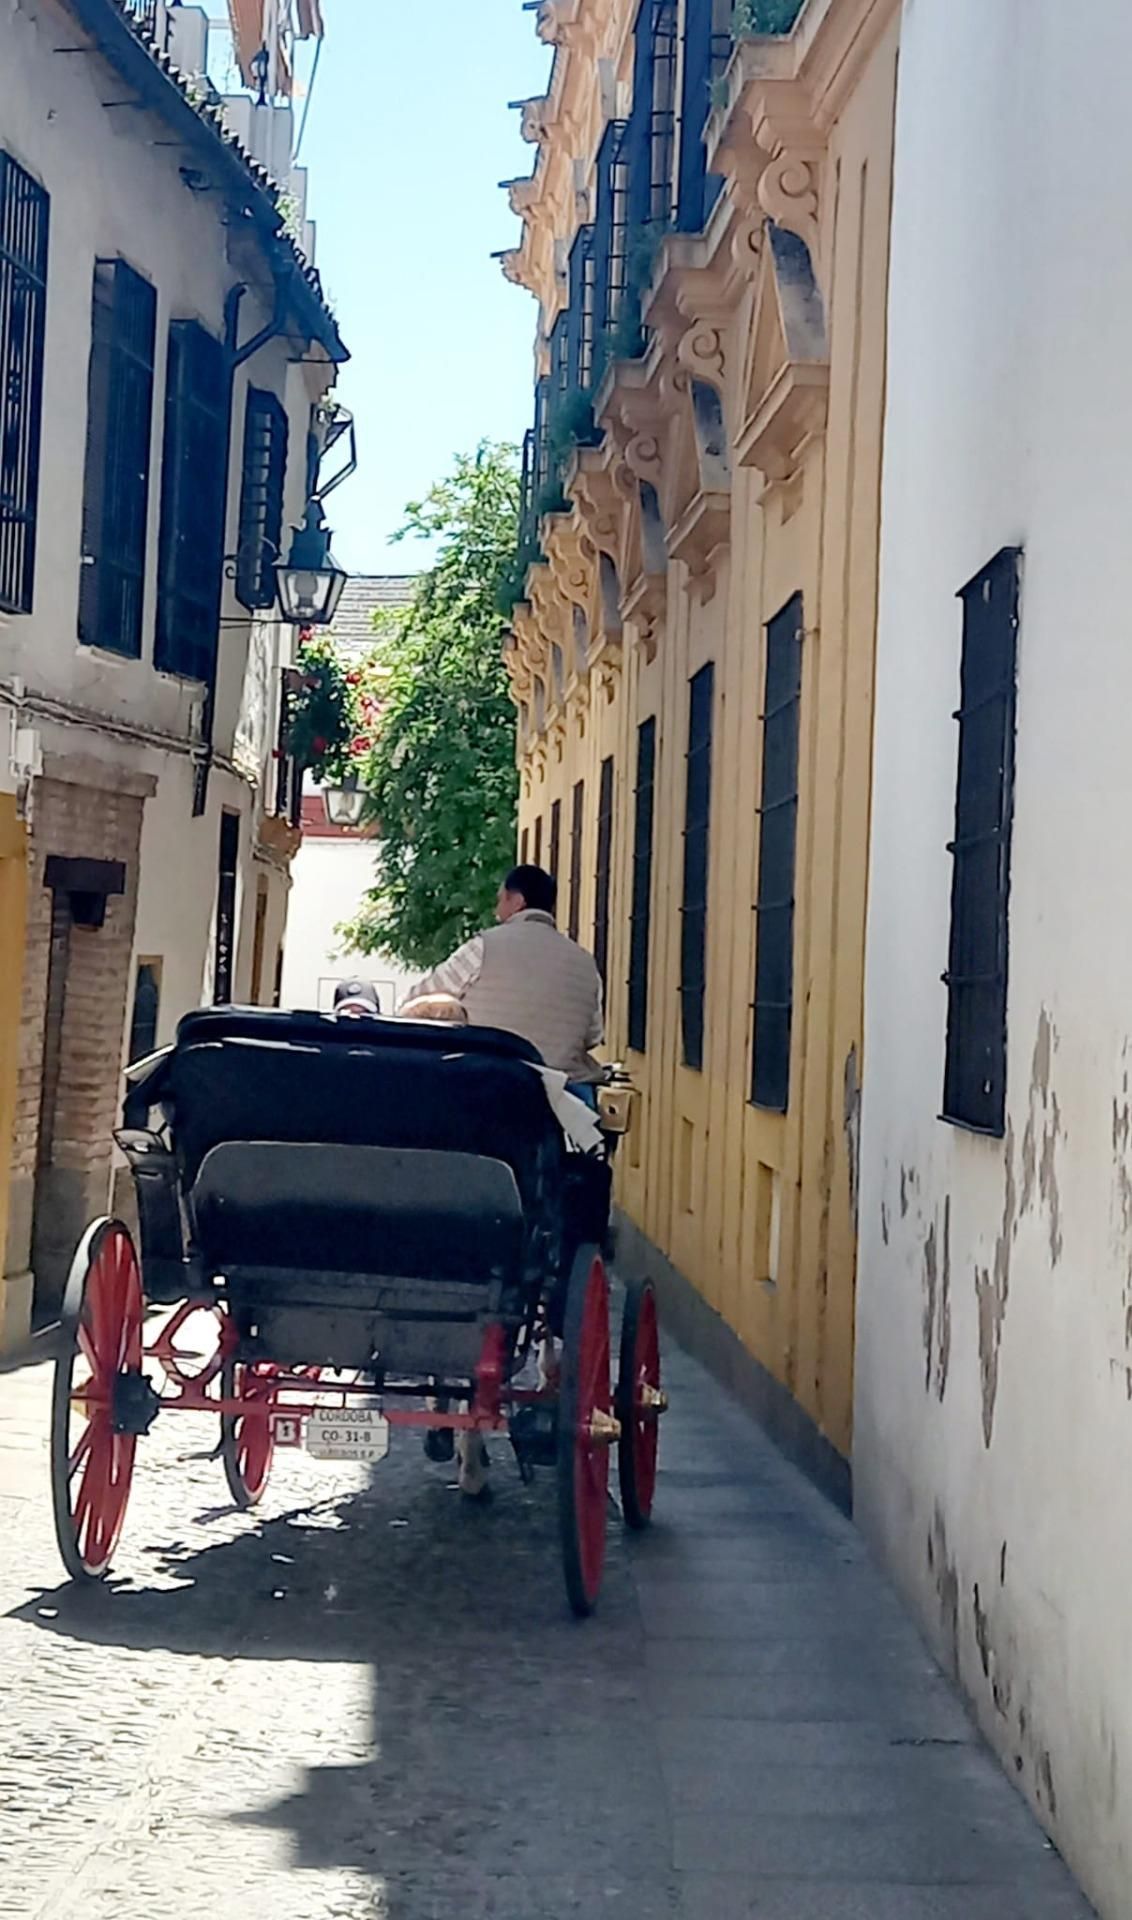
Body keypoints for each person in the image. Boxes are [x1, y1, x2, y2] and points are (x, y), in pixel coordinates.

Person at [400, 865, 603, 1094]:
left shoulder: (483, 947)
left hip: (486, 1086)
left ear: (517, 901)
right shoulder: (585, 962)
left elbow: (419, 1002)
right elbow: (593, 1035)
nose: (497, 911)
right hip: (563, 1098)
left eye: (500, 900)